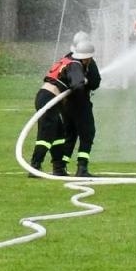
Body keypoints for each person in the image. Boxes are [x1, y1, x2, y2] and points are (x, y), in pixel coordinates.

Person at [28, 45, 90, 177]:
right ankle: (35, 166)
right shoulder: (75, 65)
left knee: (58, 134)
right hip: (49, 98)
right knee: (46, 134)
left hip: (48, 97)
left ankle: (58, 167)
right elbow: (77, 85)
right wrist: (83, 82)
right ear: (86, 58)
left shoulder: (67, 60)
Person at [62, 32, 101, 178]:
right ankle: (82, 167)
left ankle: (60, 166)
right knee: (87, 133)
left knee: (69, 135)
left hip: (65, 104)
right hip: (80, 102)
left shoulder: (66, 59)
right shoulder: (86, 61)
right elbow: (95, 81)